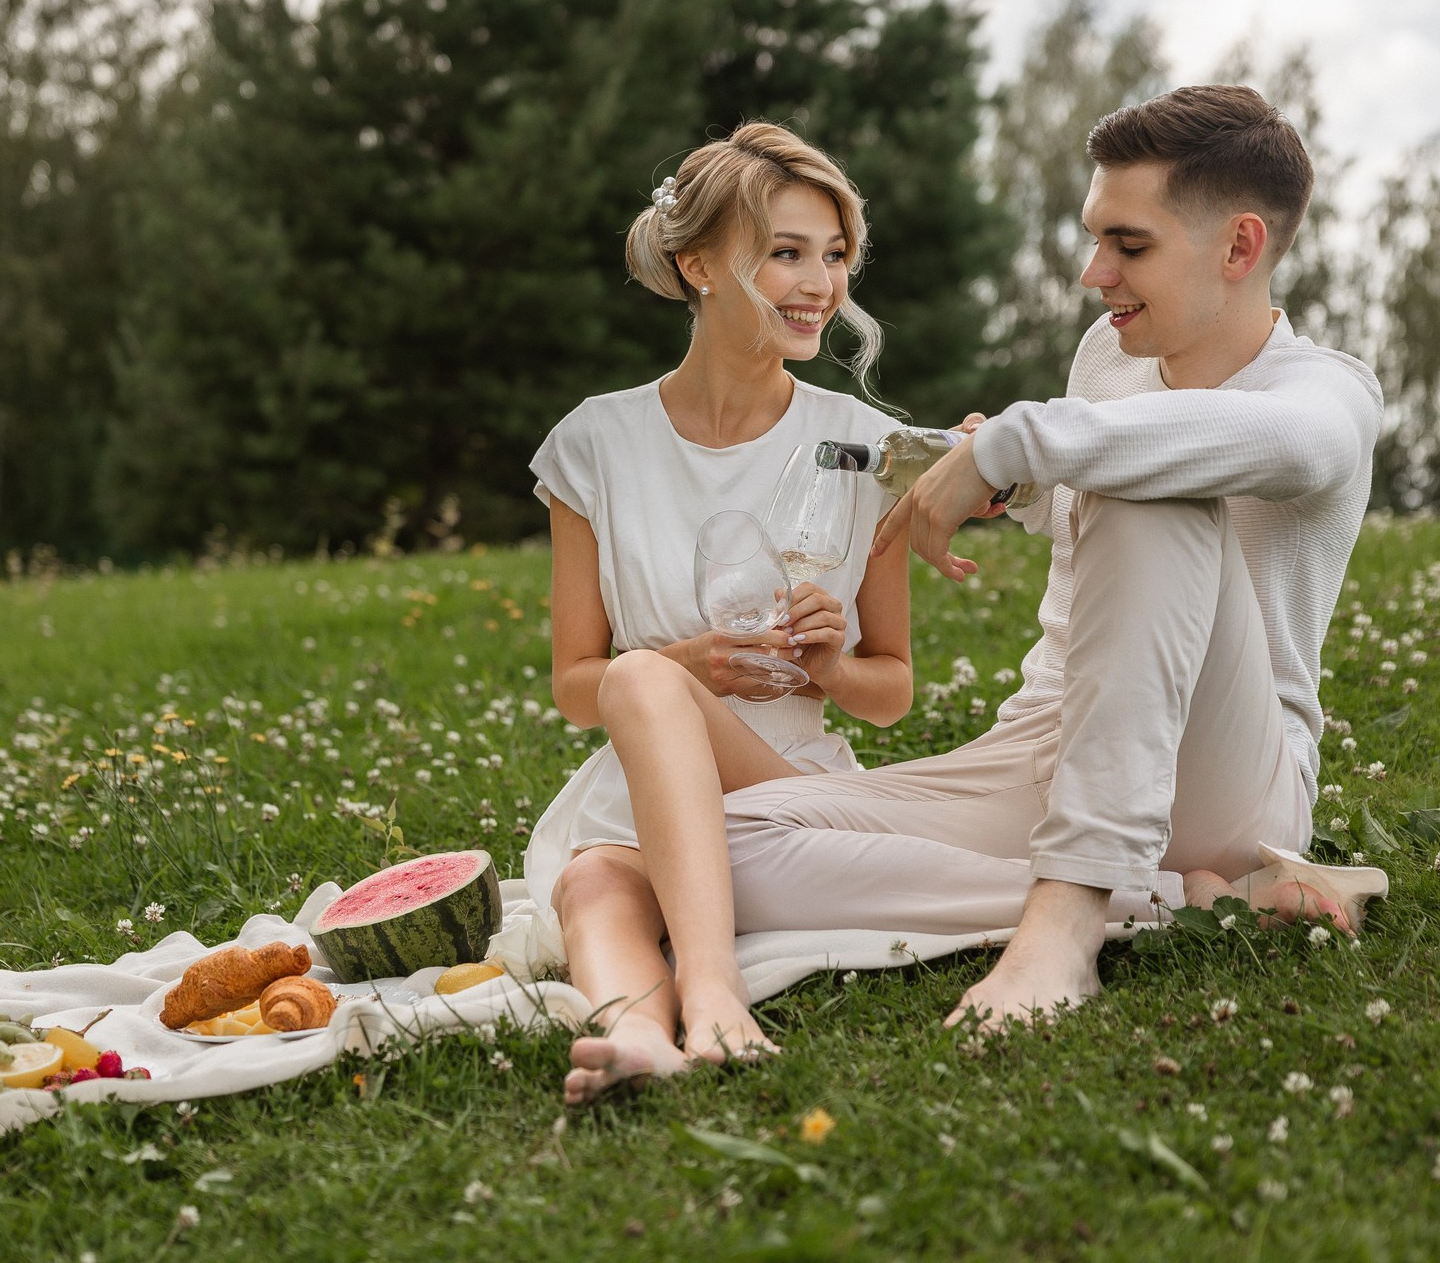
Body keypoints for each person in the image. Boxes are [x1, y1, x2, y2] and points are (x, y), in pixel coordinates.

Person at [588, 84, 1389, 1047]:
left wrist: (1018, 447)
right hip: (1040, 752)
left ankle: (1067, 922)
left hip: (1222, 775)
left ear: (1240, 248)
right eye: (1096, 238)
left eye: (1129, 246)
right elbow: (1077, 499)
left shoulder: (1326, 393)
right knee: (716, 849)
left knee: (1151, 476)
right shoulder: (1109, 355)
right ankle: (1182, 901)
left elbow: (1277, 448)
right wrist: (1008, 483)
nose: (1096, 272)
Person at [521, 123, 915, 1104]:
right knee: (593, 884)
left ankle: (711, 989)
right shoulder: (594, 445)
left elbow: (891, 695)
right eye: (784, 252)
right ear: (696, 264)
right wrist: (686, 662)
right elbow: (579, 688)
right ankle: (638, 1036)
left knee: (642, 672)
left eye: (832, 255)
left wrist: (828, 666)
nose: (818, 283)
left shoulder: (868, 447)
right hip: (639, 795)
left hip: (790, 793)